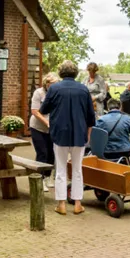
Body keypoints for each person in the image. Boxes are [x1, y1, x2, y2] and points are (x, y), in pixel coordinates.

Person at [39, 60, 96, 216]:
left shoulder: (54, 88)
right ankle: (78, 204)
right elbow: (91, 115)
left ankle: (61, 204)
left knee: (61, 169)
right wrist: (88, 133)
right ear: (75, 73)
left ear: (61, 72)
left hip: (60, 134)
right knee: (77, 169)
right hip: (79, 134)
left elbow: (43, 109)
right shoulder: (84, 90)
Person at [30, 72, 60, 192]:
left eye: (56, 84)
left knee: (52, 154)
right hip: (38, 127)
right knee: (42, 153)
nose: (54, 86)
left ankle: (48, 177)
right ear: (46, 84)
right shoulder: (38, 93)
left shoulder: (58, 94)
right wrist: (46, 122)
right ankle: (40, 179)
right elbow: (35, 111)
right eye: (52, 84)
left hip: (52, 129)